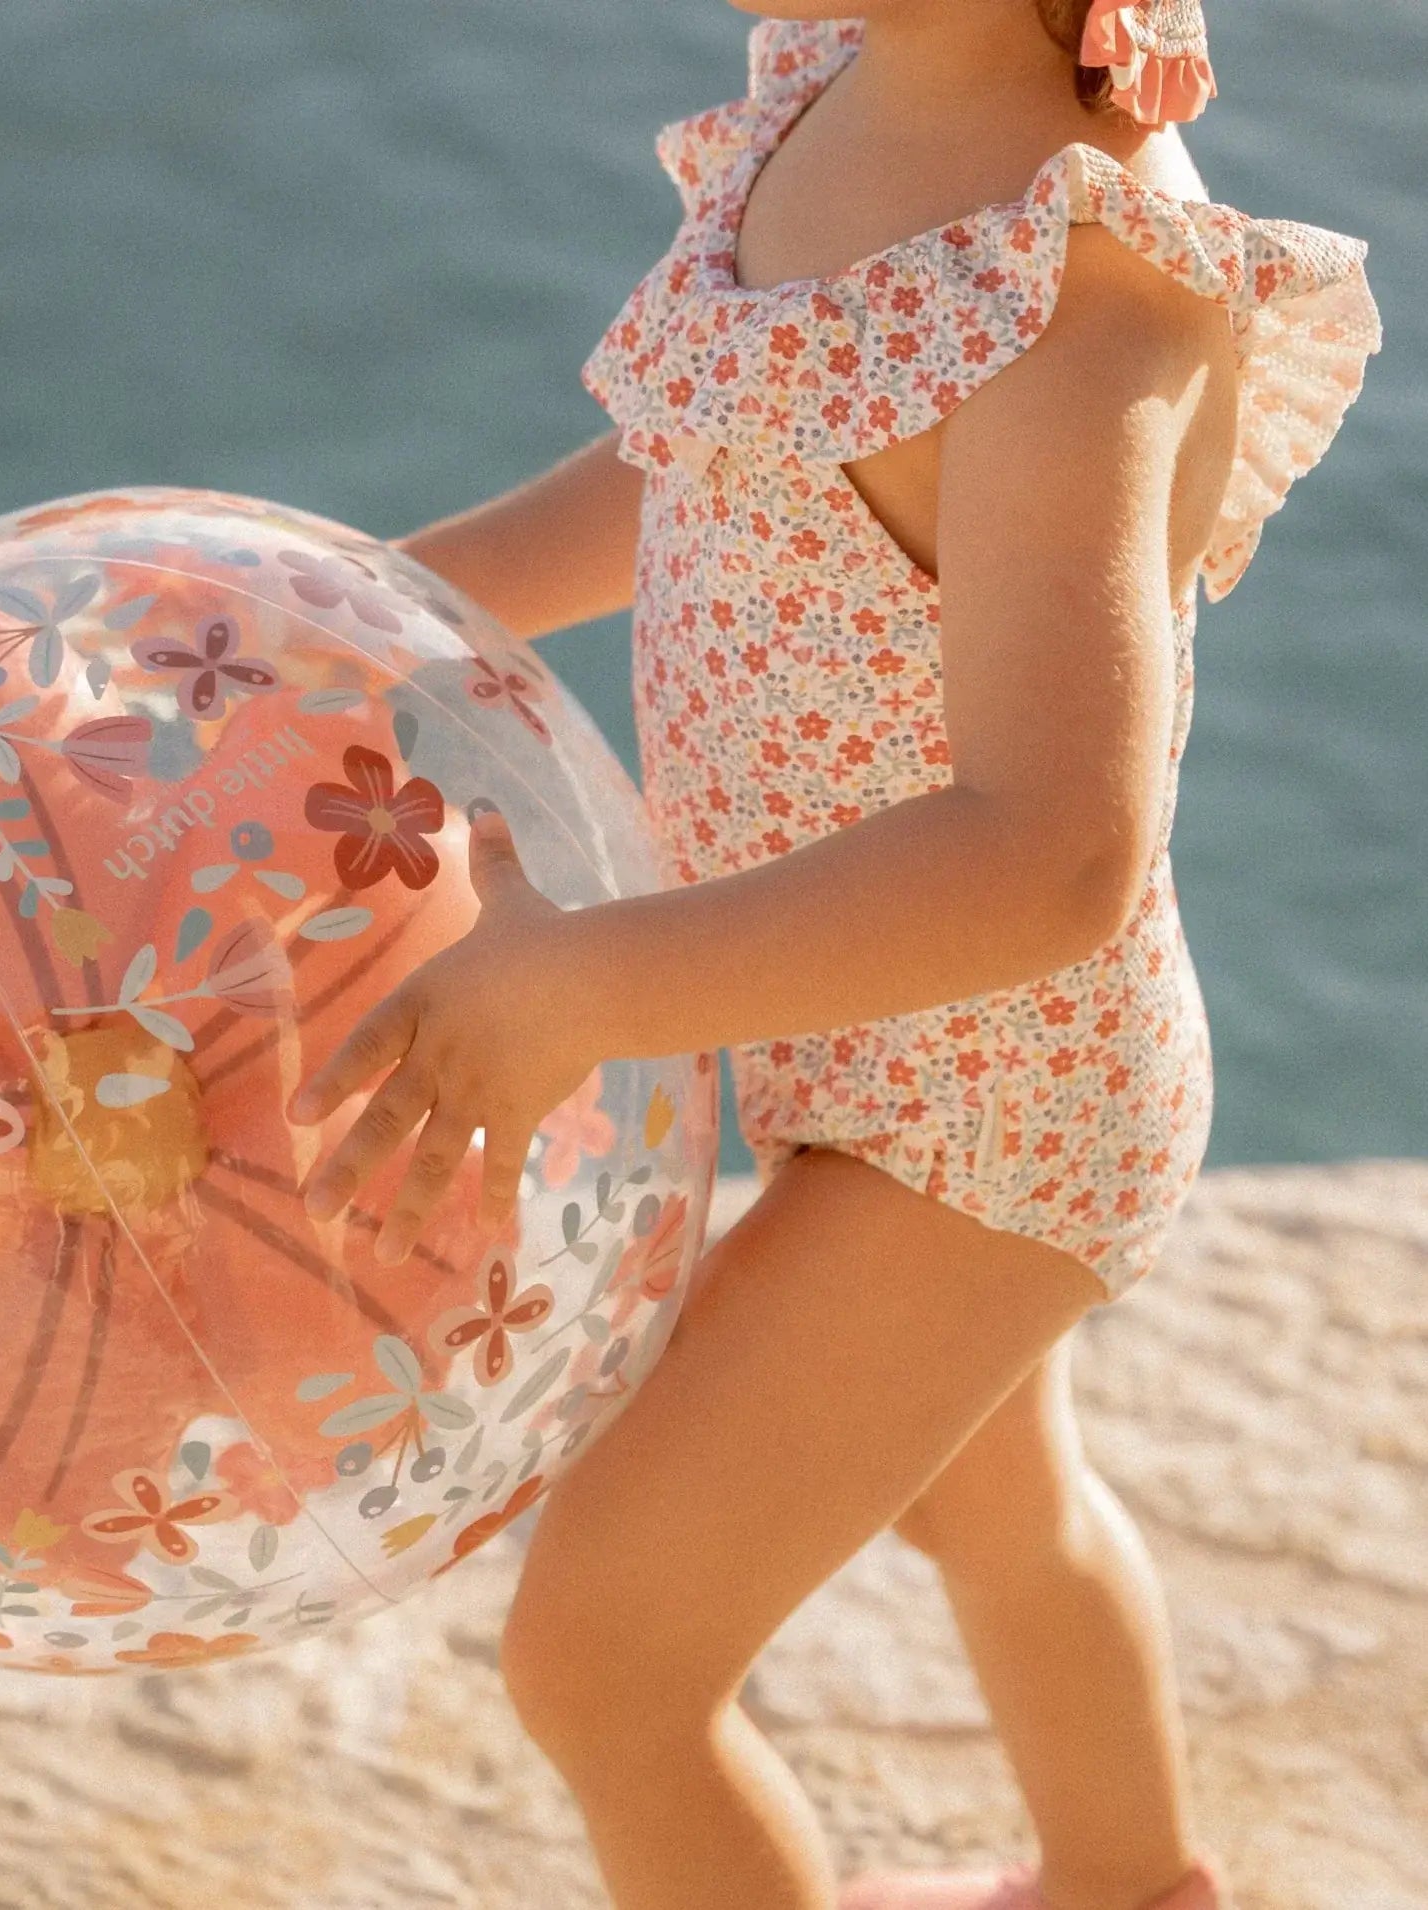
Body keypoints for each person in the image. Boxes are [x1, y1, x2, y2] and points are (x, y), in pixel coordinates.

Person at [286, 4, 1381, 1905]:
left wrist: (576, 984)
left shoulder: (1079, 294)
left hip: (986, 1119)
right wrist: (377, 610)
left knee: (605, 1661)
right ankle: (1132, 1881)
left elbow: (1055, 856)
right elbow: (712, 460)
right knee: (995, 1507)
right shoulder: (843, 92)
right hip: (854, 1043)